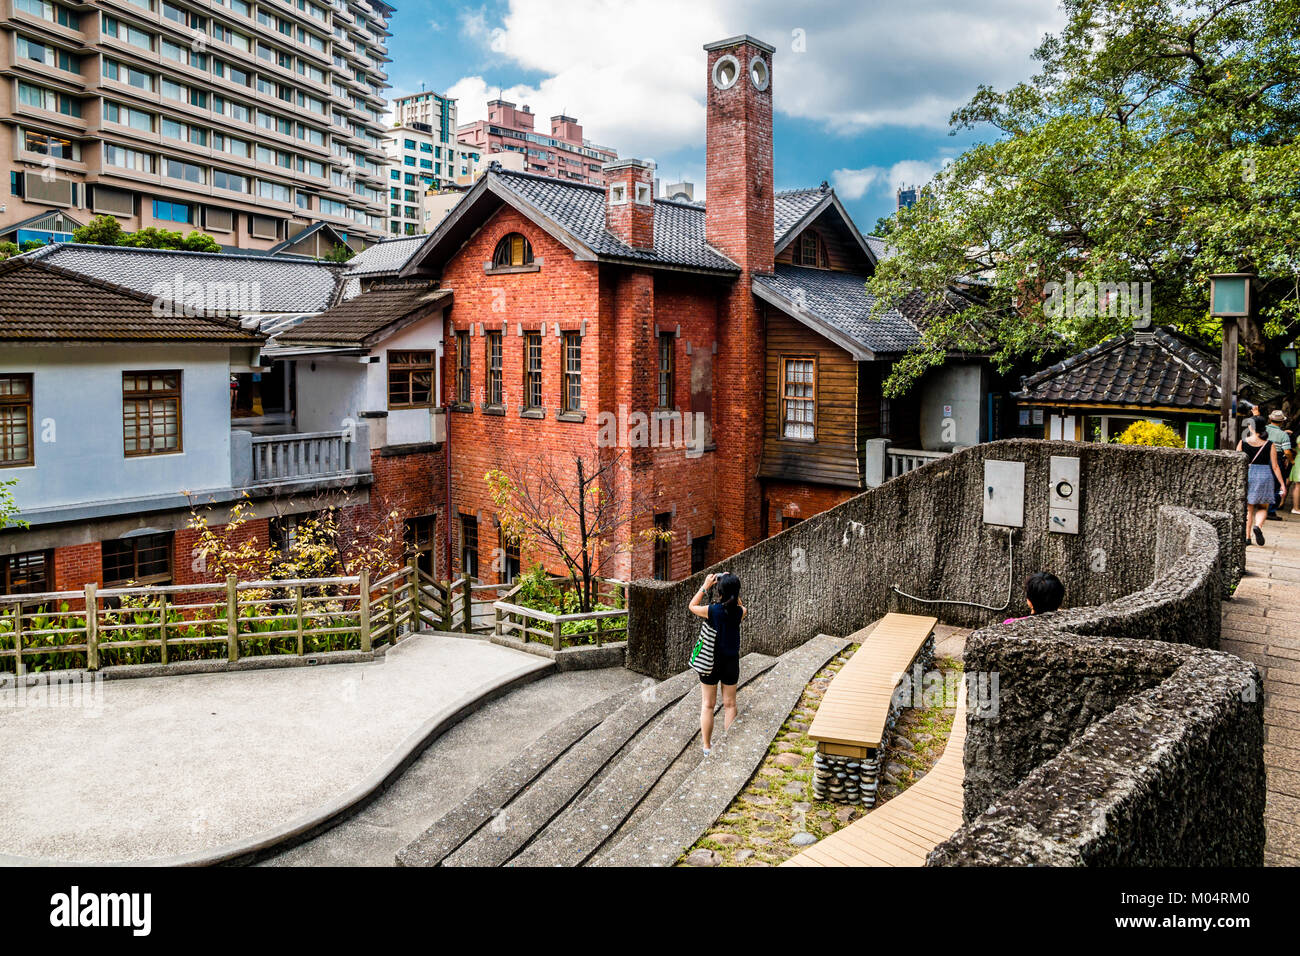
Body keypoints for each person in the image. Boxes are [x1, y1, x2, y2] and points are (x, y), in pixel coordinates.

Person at [688, 571, 745, 756]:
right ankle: (727, 745)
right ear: (736, 592)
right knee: (730, 704)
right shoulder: (740, 612)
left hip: (709, 662)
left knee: (708, 705)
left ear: (719, 590)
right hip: (730, 662)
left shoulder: (712, 611)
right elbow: (740, 605)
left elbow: (692, 605)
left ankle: (706, 747)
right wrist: (732, 588)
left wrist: (706, 586)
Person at [1238, 414, 1285, 546]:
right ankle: (1258, 526)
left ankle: (1247, 537)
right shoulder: (1269, 444)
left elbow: (1236, 461)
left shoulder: (1243, 442)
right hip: (1265, 475)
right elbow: (1275, 466)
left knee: (1248, 508)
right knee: (1263, 506)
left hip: (1248, 474)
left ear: (1251, 428)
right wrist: (1282, 484)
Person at [1265, 410, 1292, 520]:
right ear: (1281, 422)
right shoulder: (1283, 435)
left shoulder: (1263, 430)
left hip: (1263, 458)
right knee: (1277, 485)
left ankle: (1260, 507)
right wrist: (1291, 460)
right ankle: (1271, 511)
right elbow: (1287, 452)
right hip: (1277, 459)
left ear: (1270, 419)